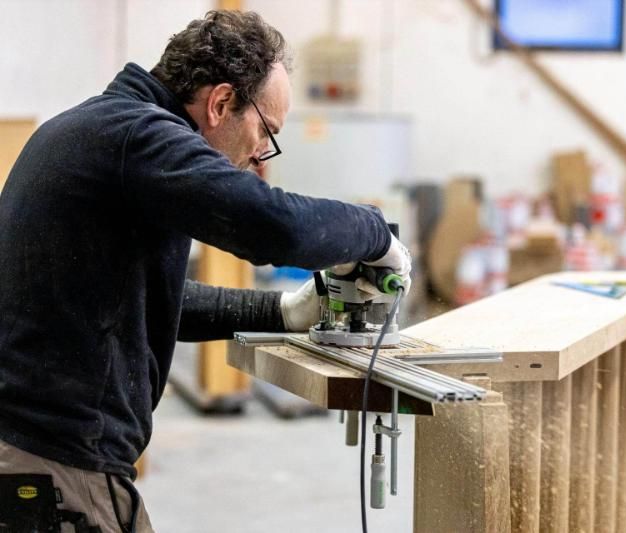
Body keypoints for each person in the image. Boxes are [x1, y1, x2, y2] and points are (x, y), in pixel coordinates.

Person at [0, 10, 411, 532]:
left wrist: (283, 310)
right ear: (220, 103)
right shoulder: (138, 137)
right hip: (57, 464)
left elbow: (146, 300)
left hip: (34, 449)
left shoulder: (99, 131)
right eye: (267, 131)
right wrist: (378, 234)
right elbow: (274, 226)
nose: (262, 154)